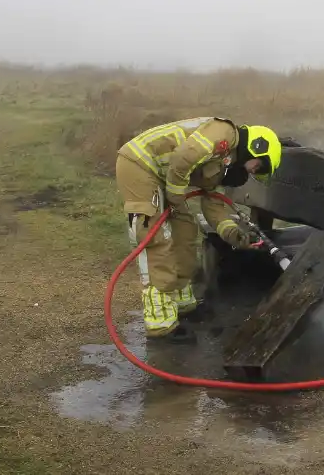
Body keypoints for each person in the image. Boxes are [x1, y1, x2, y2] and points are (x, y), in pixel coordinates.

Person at [114, 117, 282, 342]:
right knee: (157, 238)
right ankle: (160, 325)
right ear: (257, 147)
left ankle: (183, 303)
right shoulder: (224, 134)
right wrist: (174, 196)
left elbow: (213, 204)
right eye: (258, 166)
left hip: (164, 177)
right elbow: (184, 158)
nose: (252, 171)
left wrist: (233, 234)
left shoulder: (224, 160)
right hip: (139, 165)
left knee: (185, 231)